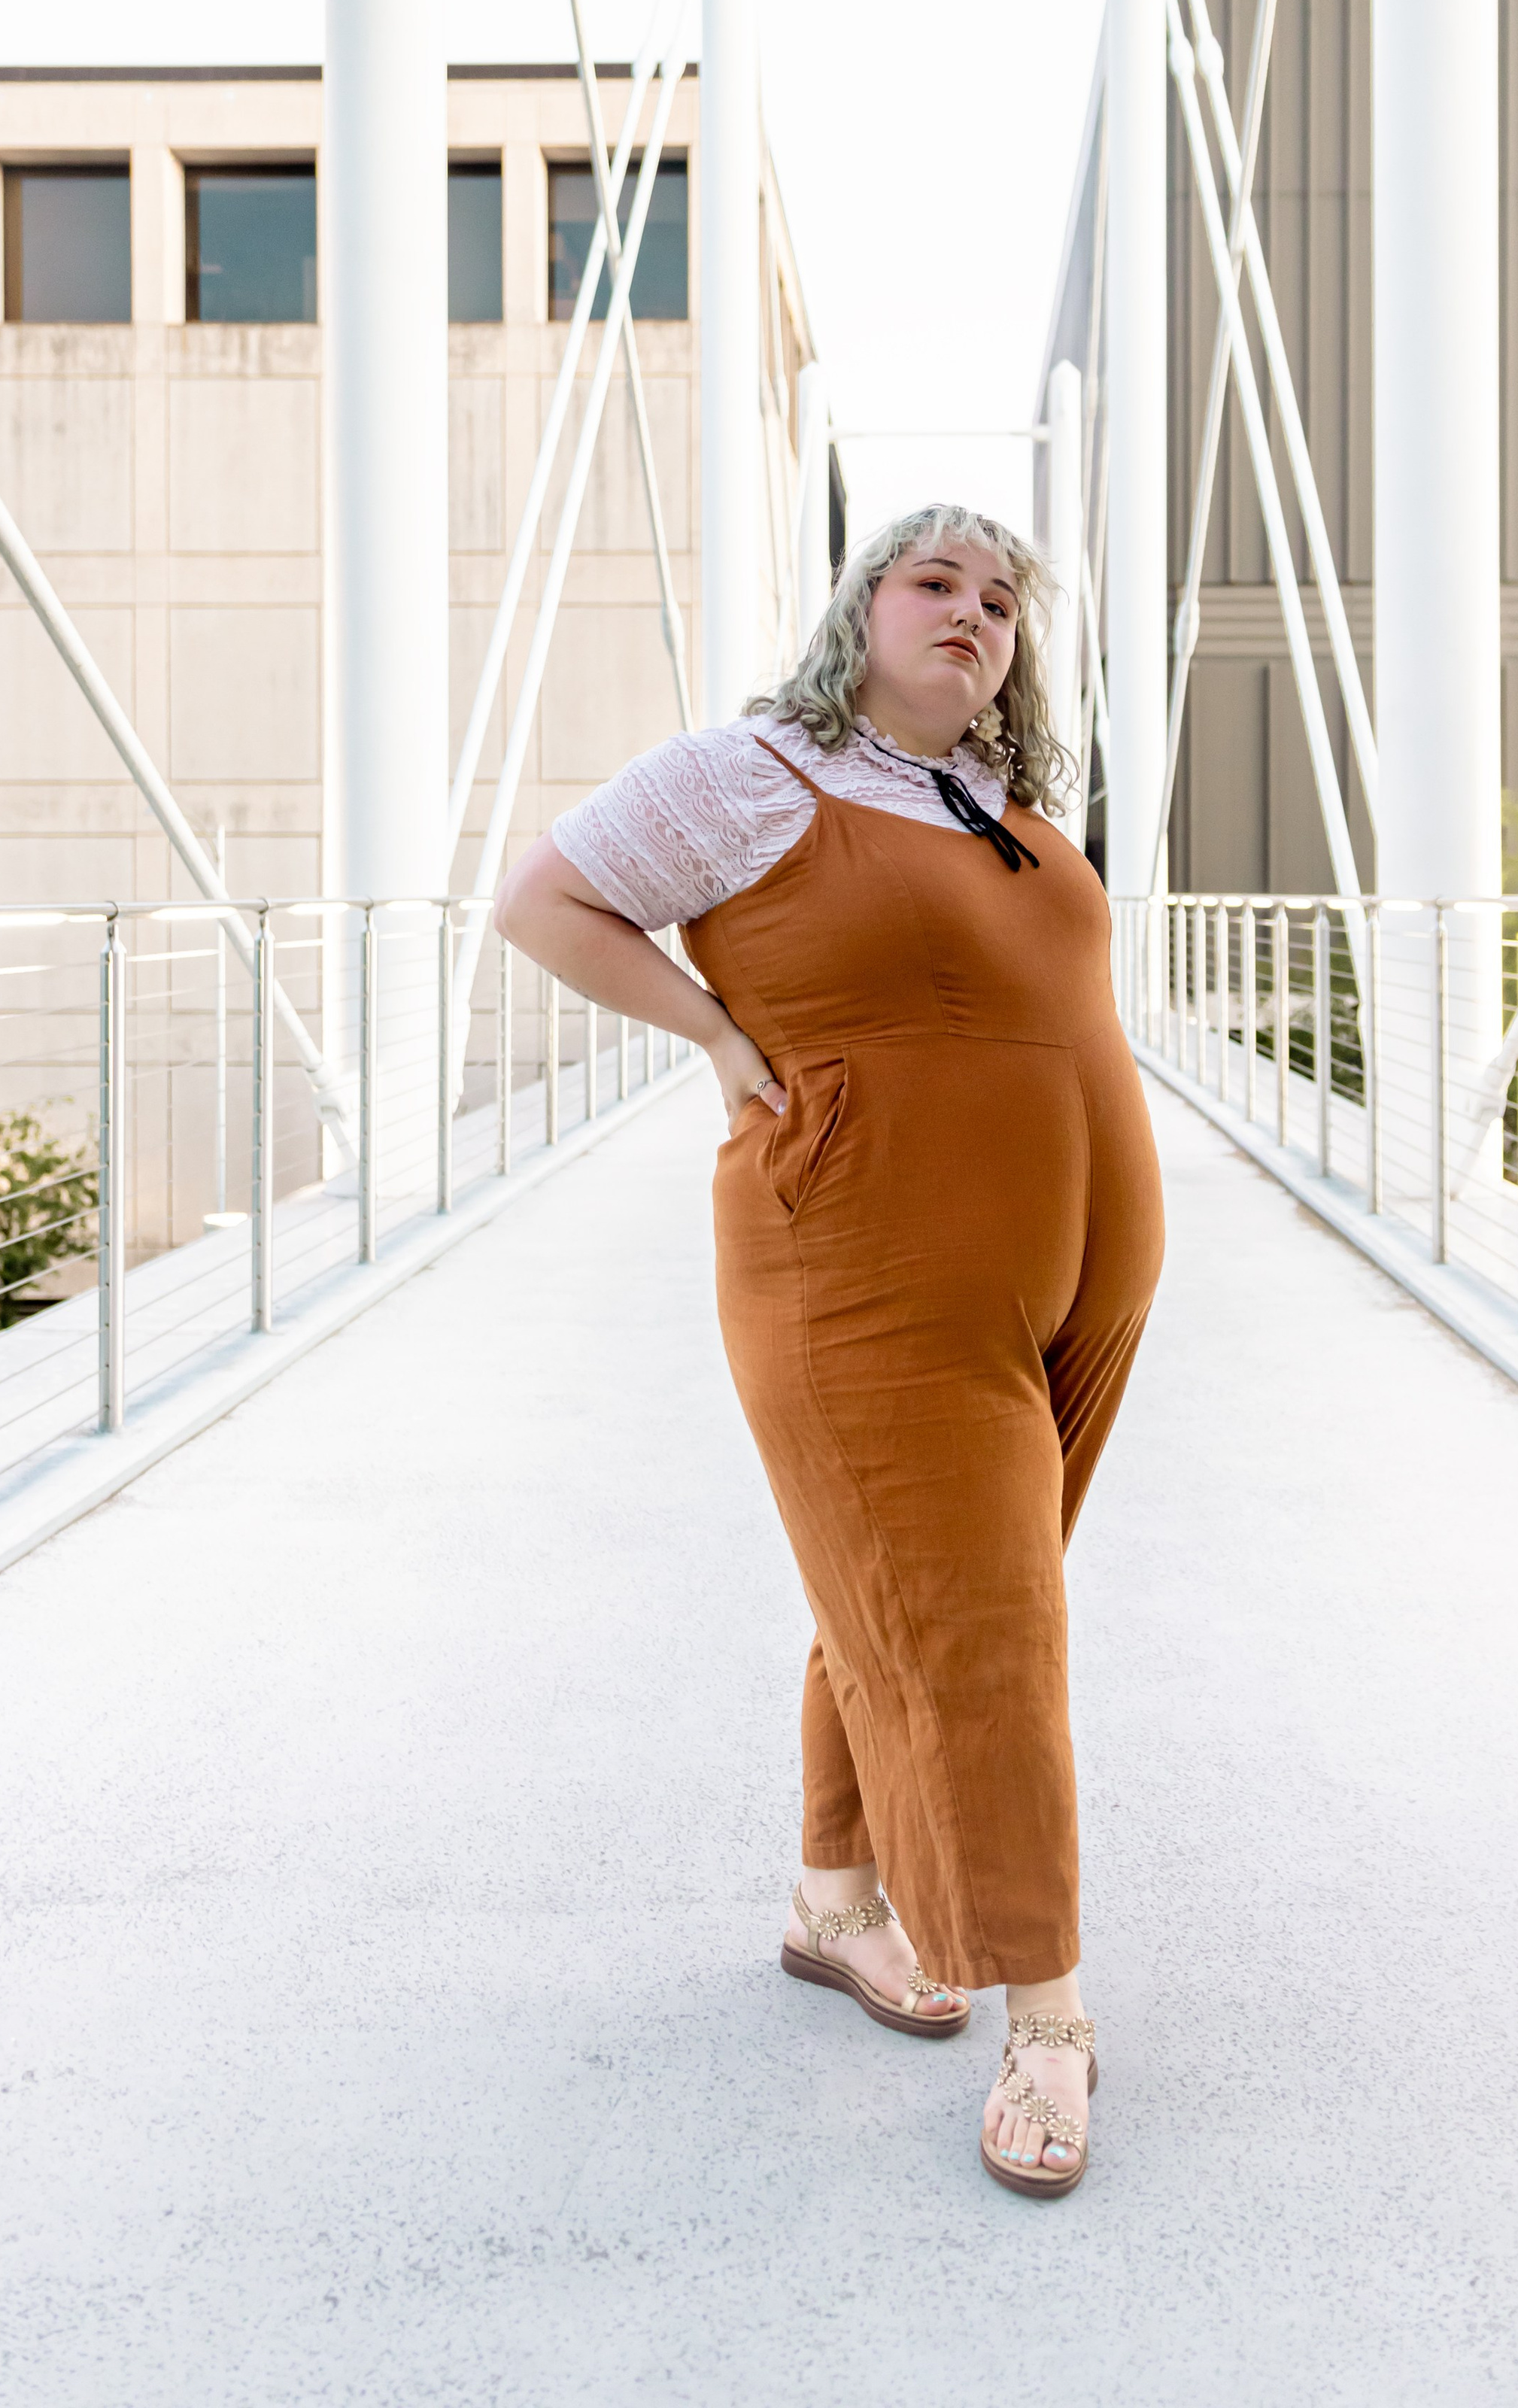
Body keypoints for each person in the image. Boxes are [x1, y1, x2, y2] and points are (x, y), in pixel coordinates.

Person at [493, 503, 1163, 2197]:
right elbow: (544, 899)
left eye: (1000, 598)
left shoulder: (1004, 803)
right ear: (860, 612)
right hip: (860, 1255)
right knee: (981, 1623)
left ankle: (828, 1900)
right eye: (933, 581)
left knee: (920, 1589)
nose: (972, 612)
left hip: (1075, 1266)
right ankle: (1049, 2017)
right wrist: (713, 1036)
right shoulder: (753, 771)